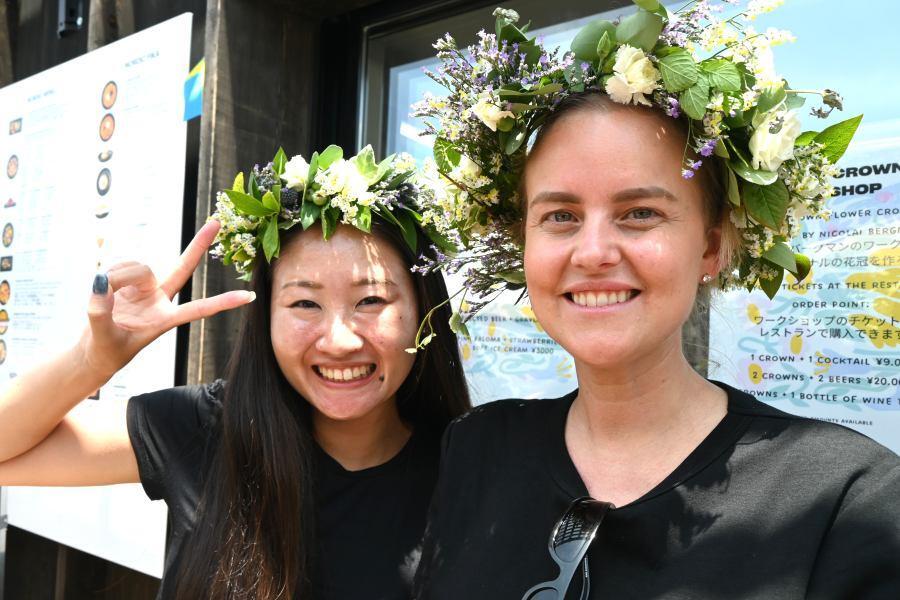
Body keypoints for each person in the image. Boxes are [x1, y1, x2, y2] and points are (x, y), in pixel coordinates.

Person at [410, 3, 900, 598]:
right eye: (560, 215)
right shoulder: (476, 448)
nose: (592, 252)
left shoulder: (846, 498)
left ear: (711, 248)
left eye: (639, 213)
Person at [0, 145, 470, 599]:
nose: (339, 340)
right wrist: (92, 362)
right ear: (266, 316)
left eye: (371, 300)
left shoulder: (474, 473)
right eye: (304, 303)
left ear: (423, 308)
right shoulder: (206, 429)